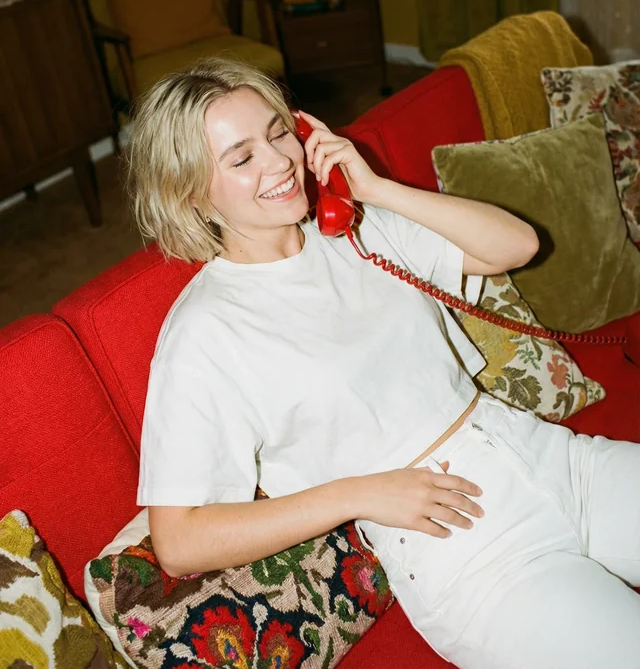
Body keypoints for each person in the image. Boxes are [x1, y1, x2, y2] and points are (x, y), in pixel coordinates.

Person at [129, 58, 640, 669]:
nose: (280, 161)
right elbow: (180, 540)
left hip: (554, 459)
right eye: (241, 158)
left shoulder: (356, 230)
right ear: (190, 192)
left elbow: (517, 245)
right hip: (471, 554)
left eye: (278, 132)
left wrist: (374, 191)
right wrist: (357, 494)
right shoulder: (204, 332)